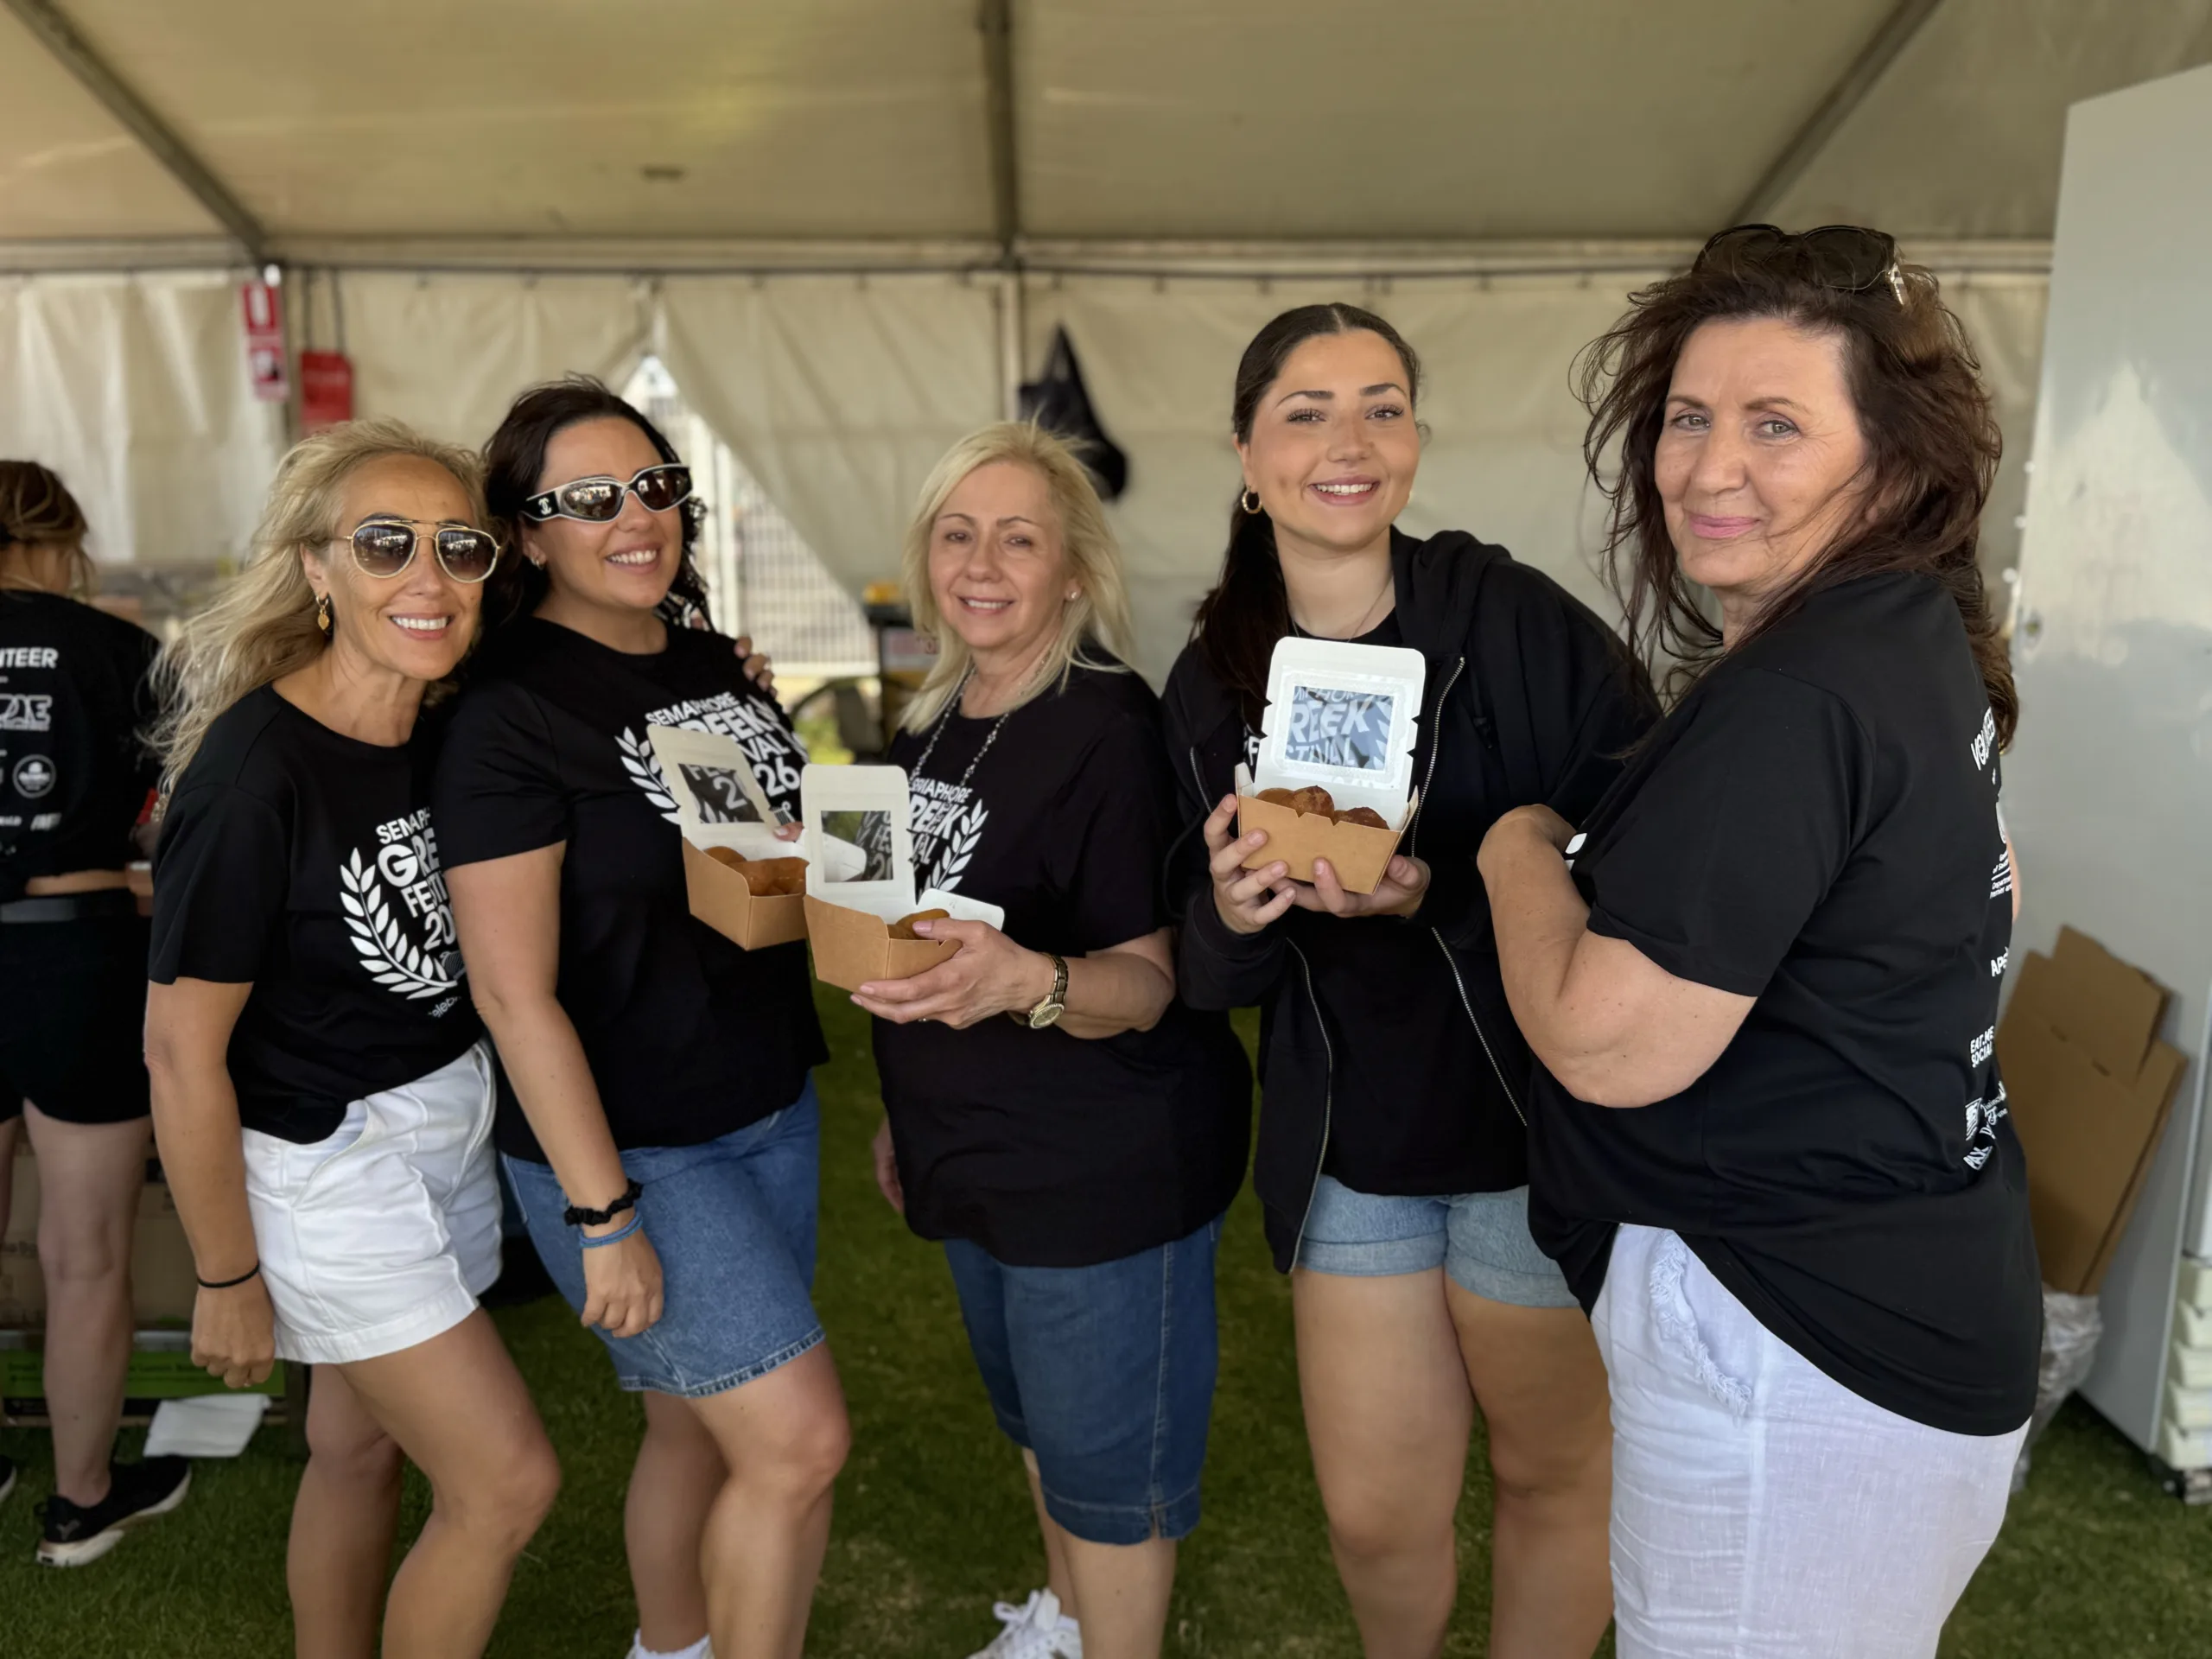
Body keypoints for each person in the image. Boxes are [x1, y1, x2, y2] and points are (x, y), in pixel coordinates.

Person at [1476, 225, 2038, 1658]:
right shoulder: (1908, 638)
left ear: (1894, 467)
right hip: (1898, 1300)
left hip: (1798, 1337)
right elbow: (1996, 890)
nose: (1708, 467)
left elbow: (1607, 1042)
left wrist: (1517, 851)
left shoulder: (1803, 696)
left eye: (1776, 425)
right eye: (1688, 418)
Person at [1165, 304, 1655, 1659]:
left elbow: (1647, 833)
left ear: (1418, 440)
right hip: (1355, 1154)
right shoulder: (1212, 680)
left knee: (1553, 1475)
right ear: (1247, 454)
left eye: (1382, 407)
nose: (1350, 441)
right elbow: (1203, 971)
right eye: (1307, 411)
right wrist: (1234, 910)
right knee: (1379, 1517)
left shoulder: (1509, 619)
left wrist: (1441, 886)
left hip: (1532, 1134)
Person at [436, 377, 842, 1659]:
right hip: (636, 1146)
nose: (636, 516)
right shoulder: (508, 713)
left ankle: (670, 1646)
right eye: (591, 498)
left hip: (768, 1098)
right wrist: (602, 1214)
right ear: (525, 533)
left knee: (694, 1423)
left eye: (656, 486)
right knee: (797, 1443)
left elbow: (767, 862)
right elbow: (511, 991)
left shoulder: (710, 659)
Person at [144, 417, 559, 1656]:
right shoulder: (253, 778)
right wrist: (226, 1275)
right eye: (385, 544)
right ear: (317, 568)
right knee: (505, 1484)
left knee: (357, 1445)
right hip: (328, 1166)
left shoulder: (446, 721)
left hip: (445, 1120)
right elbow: (180, 1053)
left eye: (459, 547)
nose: (427, 576)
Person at [857, 423, 1250, 1659]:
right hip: (977, 1156)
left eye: (1018, 540)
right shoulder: (932, 723)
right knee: (1042, 1435)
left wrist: (1028, 980)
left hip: (1101, 1173)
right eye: (957, 534)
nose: (981, 565)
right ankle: (1068, 1626)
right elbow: (914, 942)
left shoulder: (1107, 727)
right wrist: (907, 1110)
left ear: (1074, 571)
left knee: (1109, 1485)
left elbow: (1152, 983)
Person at [0, 462, 185, 1564]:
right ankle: (80, 1502)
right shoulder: (120, 649)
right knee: (85, 1254)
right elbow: (177, 819)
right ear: (62, 537)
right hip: (75, 951)